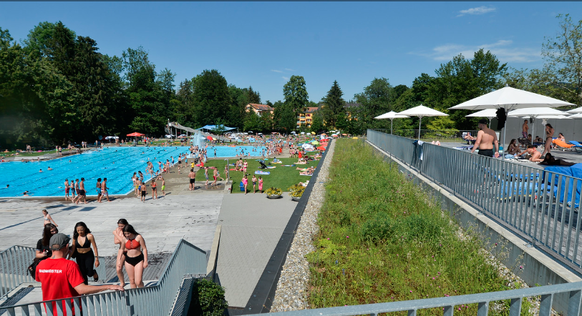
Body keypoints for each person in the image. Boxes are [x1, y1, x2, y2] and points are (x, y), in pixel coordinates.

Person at [35, 233, 124, 313]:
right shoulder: (69, 265)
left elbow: (40, 279)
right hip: (71, 310)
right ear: (66, 246)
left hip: (50, 310)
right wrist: (109, 286)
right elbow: (81, 289)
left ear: (50, 247)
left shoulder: (41, 265)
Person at [113, 219, 129, 288]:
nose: (120, 228)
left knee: (130, 268)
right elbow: (116, 241)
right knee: (118, 268)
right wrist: (121, 238)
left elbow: (125, 241)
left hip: (129, 250)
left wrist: (116, 234)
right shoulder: (118, 230)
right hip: (121, 250)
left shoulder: (128, 230)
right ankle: (122, 282)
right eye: (119, 226)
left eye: (122, 226)